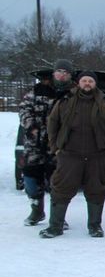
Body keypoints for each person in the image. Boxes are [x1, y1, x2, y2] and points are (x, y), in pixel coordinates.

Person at [40, 71, 105, 238]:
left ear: (95, 84)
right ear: (78, 83)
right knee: (61, 189)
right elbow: (53, 123)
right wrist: (55, 147)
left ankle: (95, 226)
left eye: (90, 81)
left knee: (96, 190)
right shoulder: (65, 101)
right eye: (84, 80)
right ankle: (55, 226)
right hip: (70, 154)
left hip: (98, 155)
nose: (87, 83)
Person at [19, 61, 74, 226]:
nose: (62, 75)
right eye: (59, 72)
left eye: (66, 72)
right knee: (30, 179)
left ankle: (57, 216)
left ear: (70, 76)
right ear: (53, 74)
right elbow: (23, 110)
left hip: (59, 145)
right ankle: (37, 210)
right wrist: (32, 128)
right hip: (34, 144)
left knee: (57, 182)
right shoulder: (37, 91)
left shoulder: (72, 93)